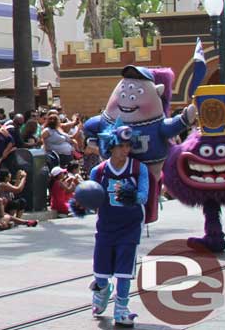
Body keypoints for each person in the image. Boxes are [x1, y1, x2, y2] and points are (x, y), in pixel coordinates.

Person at [83, 125, 148, 327]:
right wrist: (82, 200)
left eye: (128, 146)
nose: (125, 150)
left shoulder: (138, 169)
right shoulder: (98, 171)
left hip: (130, 226)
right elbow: (91, 199)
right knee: (101, 272)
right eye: (121, 146)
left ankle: (121, 309)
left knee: (124, 271)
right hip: (106, 226)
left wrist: (133, 196)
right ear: (110, 146)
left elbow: (144, 196)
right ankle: (102, 289)